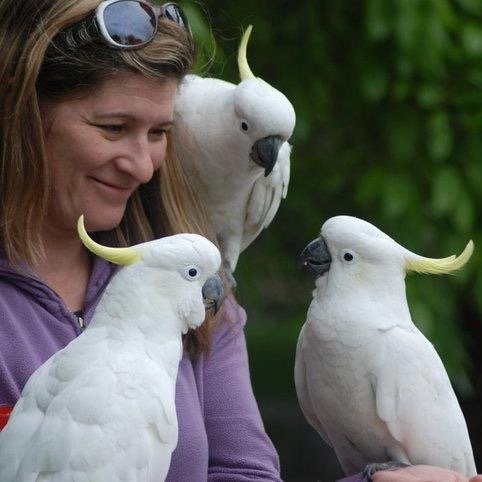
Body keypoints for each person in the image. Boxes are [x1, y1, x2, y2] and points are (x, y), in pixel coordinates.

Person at [0, 1, 480, 482]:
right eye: (113, 128)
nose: (143, 166)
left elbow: (242, 473)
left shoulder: (197, 293)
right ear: (22, 112)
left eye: (160, 133)